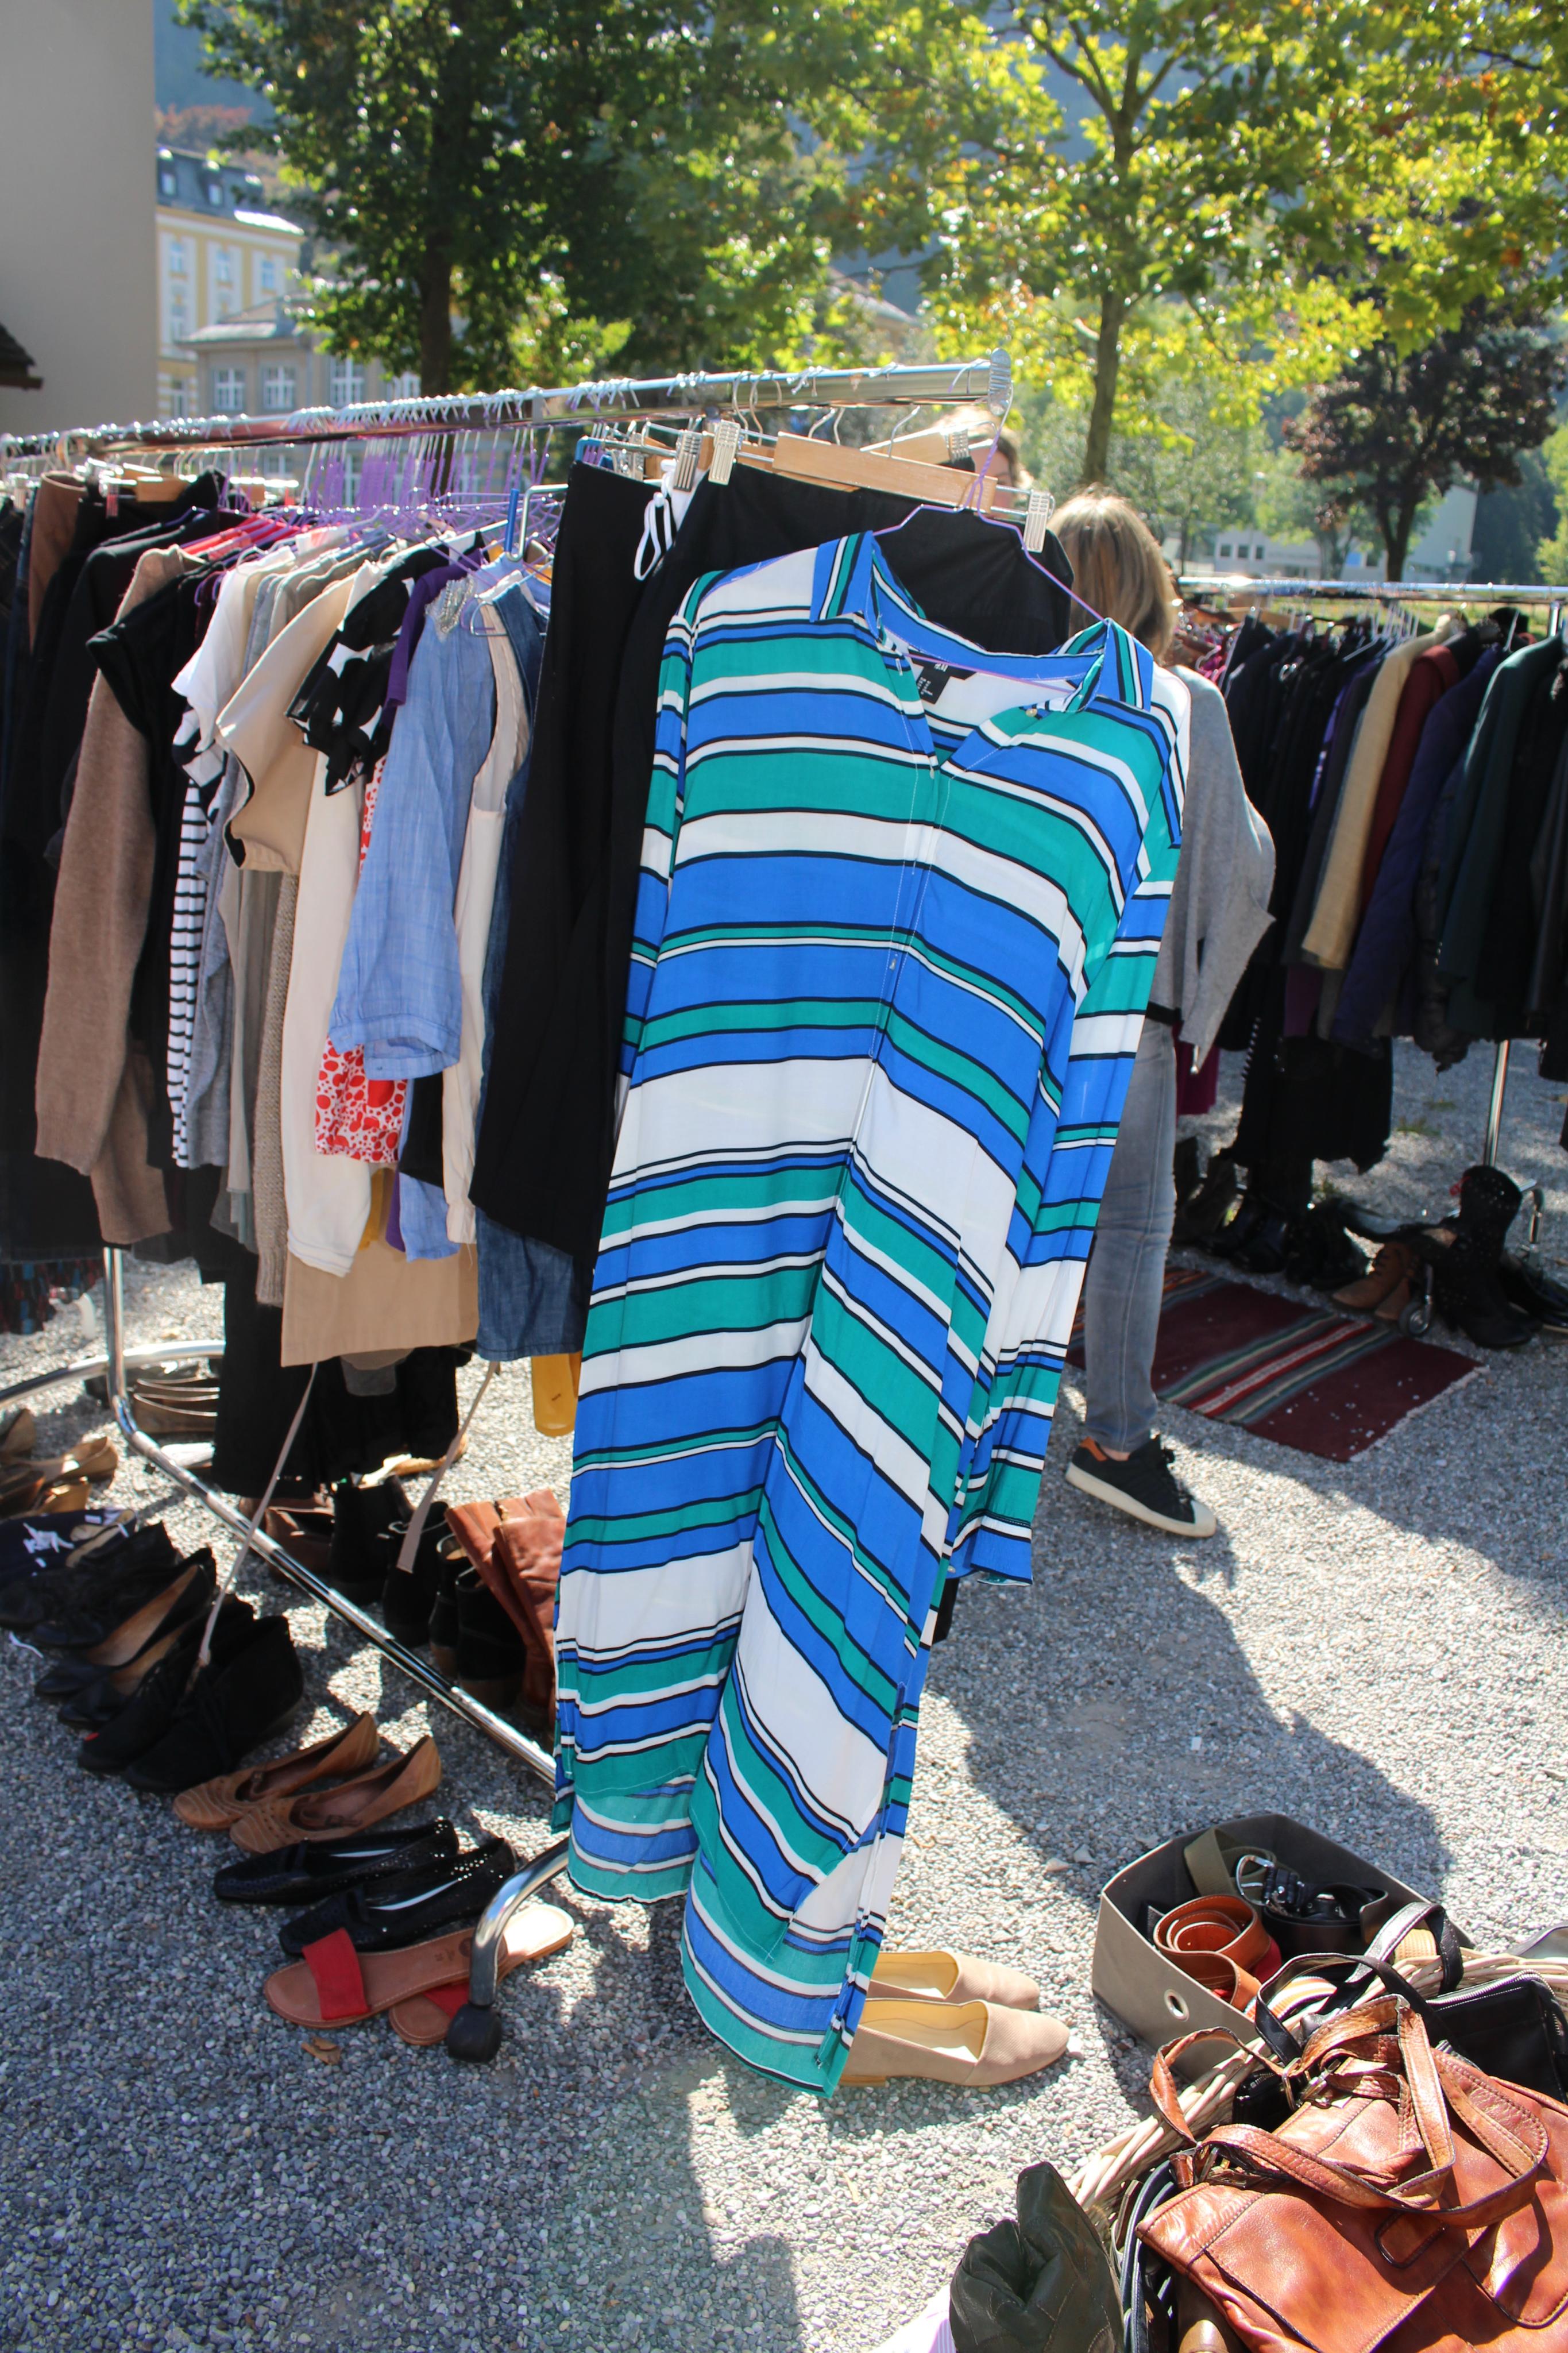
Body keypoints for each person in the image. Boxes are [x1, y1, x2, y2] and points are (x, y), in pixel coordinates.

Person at [1050, 491, 1275, 1538]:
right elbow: (1235, 865)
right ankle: (1117, 1441)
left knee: (1009, 1213)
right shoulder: (1186, 701)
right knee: (1133, 1226)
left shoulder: (1014, 687)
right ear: (1148, 583)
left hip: (1016, 997)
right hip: (1130, 1005)